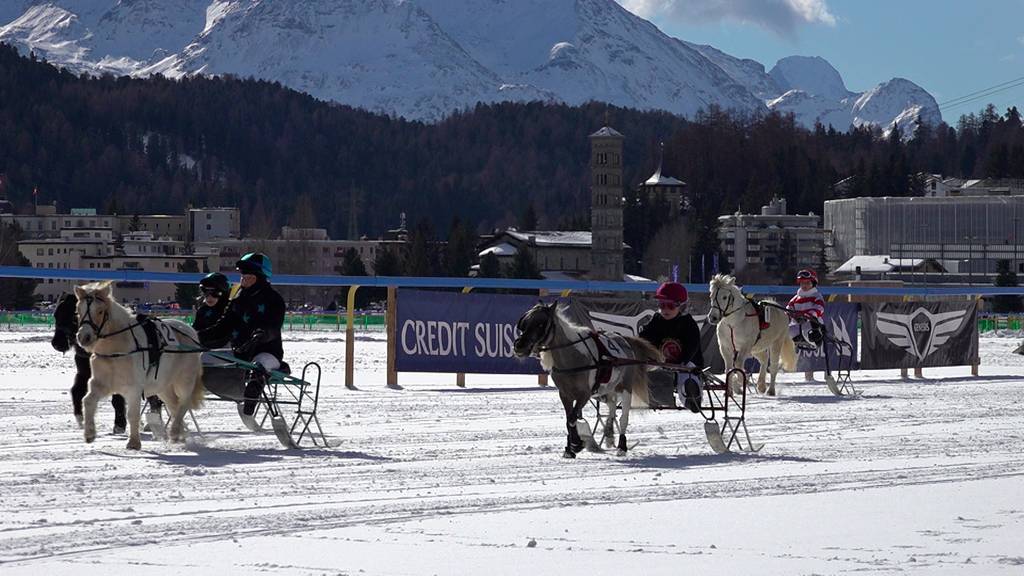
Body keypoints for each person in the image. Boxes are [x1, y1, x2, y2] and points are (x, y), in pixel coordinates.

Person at [198, 253, 286, 415]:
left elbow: (273, 328)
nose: (243, 281)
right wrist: (197, 336)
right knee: (201, 361)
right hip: (239, 353)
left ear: (260, 278)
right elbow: (222, 327)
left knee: (259, 365)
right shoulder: (237, 300)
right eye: (242, 277)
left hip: (267, 352)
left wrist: (260, 335)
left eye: (248, 278)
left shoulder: (274, 299)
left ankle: (251, 399)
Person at [639, 282, 704, 413]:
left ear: (682, 306)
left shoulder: (688, 323)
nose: (665, 310)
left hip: (685, 363)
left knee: (687, 377)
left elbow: (693, 345)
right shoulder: (656, 320)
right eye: (662, 305)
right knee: (652, 374)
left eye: (670, 305)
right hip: (661, 363)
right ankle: (653, 397)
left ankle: (691, 397)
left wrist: (682, 362)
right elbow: (645, 338)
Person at [788, 269, 826, 351]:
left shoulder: (816, 296)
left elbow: (819, 308)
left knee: (807, 332)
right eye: (802, 283)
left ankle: (816, 340)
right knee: (784, 332)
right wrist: (789, 316)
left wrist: (808, 316)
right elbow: (789, 309)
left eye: (807, 283)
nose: (804, 285)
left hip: (811, 324)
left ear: (813, 283)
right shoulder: (796, 298)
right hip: (797, 325)